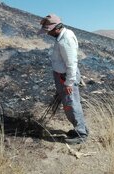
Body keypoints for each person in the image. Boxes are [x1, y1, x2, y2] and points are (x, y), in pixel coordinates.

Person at [39, 14, 88, 144]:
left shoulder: (65, 40)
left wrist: (68, 83)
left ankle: (81, 134)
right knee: (71, 103)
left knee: (70, 105)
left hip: (65, 77)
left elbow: (72, 63)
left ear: (56, 28)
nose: (47, 34)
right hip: (63, 76)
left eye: (48, 31)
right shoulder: (62, 35)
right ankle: (81, 128)